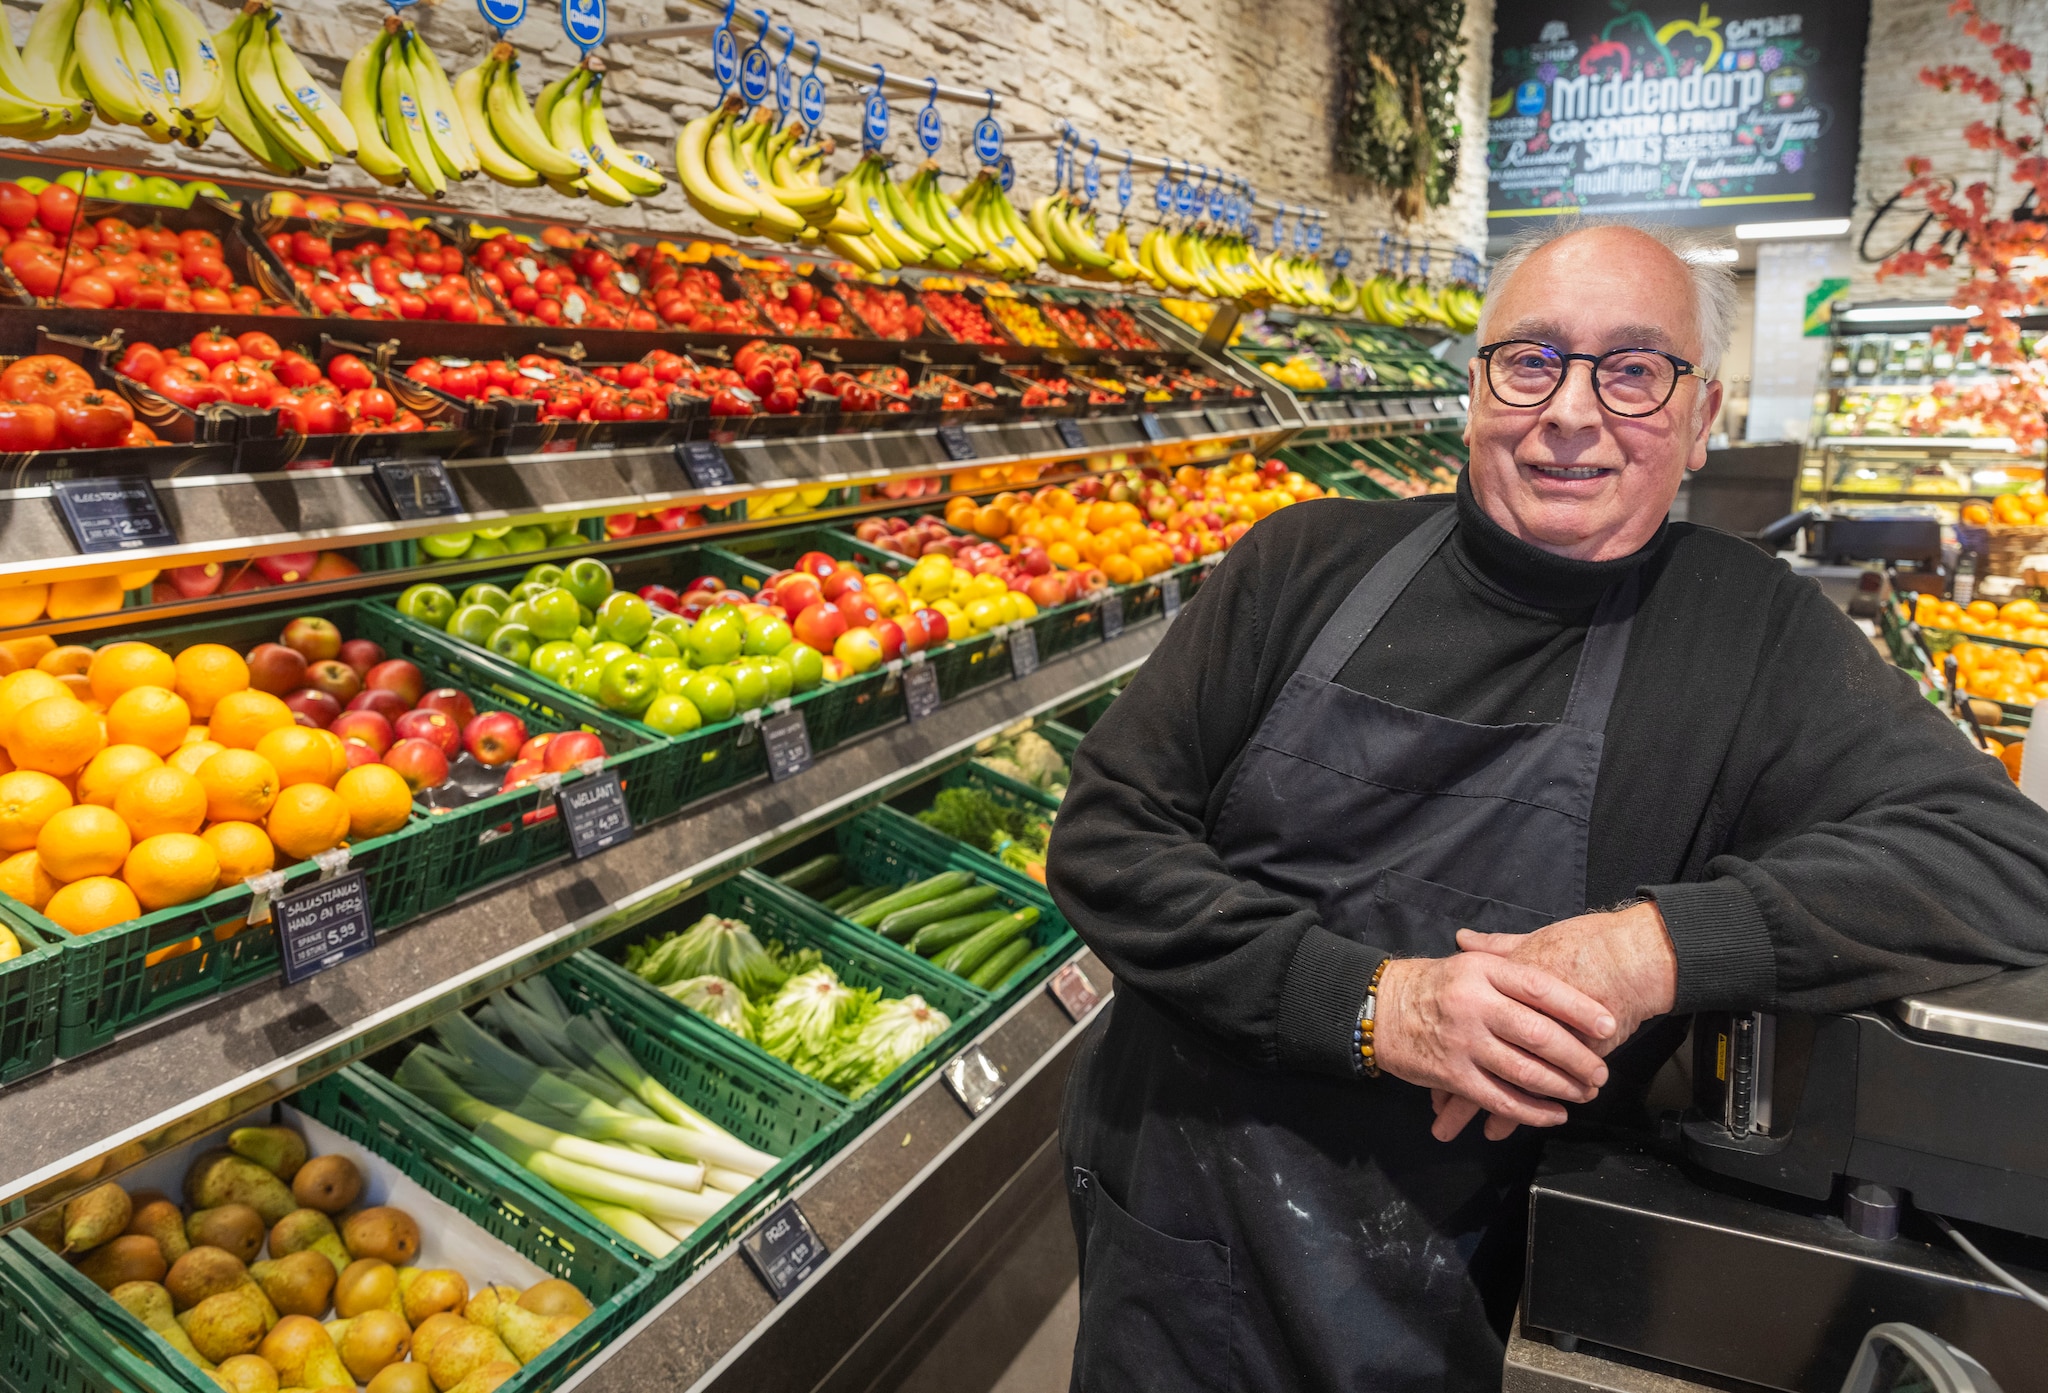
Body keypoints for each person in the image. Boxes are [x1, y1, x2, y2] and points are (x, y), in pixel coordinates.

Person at [1046, 218, 2048, 1393]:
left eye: (1631, 369)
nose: (1570, 410)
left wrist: (1652, 946)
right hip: (1184, 1223)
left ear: (1699, 412)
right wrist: (1377, 1003)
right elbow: (1107, 838)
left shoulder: (1751, 634)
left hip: (1471, 1272)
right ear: (1473, 392)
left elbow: (2001, 859)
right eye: (1529, 360)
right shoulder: (1300, 563)